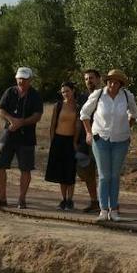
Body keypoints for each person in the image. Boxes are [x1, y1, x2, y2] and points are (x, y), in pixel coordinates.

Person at [81, 69, 137, 222]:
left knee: (114, 175)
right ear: (106, 82)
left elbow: (134, 113)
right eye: (110, 80)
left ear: (121, 84)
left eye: (116, 81)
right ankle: (103, 209)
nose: (113, 83)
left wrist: (126, 126)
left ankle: (114, 209)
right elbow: (84, 114)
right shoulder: (98, 95)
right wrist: (88, 133)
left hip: (121, 140)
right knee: (104, 175)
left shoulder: (127, 95)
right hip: (101, 139)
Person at [0, 67, 44, 209]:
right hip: (9, 133)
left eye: (24, 79)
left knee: (25, 168)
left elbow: (38, 115)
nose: (21, 81)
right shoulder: (10, 91)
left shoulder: (35, 95)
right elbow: (0, 109)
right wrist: (12, 120)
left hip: (27, 137)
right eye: (19, 78)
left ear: (30, 80)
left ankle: (21, 199)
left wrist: (21, 123)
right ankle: (2, 197)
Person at [44, 81, 83, 210]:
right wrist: (52, 141)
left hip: (71, 141)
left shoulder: (78, 107)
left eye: (67, 91)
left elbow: (78, 125)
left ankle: (70, 199)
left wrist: (75, 142)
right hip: (58, 140)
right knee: (60, 172)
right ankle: (63, 199)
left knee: (70, 171)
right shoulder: (58, 105)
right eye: (63, 92)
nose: (65, 94)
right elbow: (53, 124)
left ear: (73, 91)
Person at [75, 69, 103, 212]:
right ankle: (94, 201)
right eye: (86, 79)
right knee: (85, 171)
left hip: (102, 138)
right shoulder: (82, 97)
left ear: (99, 79)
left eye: (91, 78)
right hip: (84, 140)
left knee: (105, 173)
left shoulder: (105, 95)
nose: (89, 81)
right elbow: (78, 119)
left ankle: (108, 203)